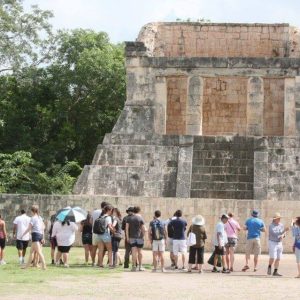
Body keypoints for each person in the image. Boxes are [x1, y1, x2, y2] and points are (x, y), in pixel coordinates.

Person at [21, 205, 46, 270]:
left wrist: (23, 234)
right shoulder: (40, 218)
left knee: (39, 252)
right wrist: (43, 237)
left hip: (35, 235)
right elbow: (43, 228)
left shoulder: (33, 218)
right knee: (31, 252)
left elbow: (29, 228)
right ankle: (26, 267)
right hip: (40, 235)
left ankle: (44, 266)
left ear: (32, 211)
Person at [126, 206, 146, 271]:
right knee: (140, 252)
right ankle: (140, 266)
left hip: (132, 237)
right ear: (139, 211)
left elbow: (126, 229)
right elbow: (144, 229)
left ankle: (134, 266)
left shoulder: (129, 218)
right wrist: (143, 236)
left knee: (134, 252)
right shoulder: (140, 218)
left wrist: (127, 237)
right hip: (139, 237)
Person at [91, 201, 110, 266]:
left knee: (94, 248)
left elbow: (91, 221)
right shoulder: (105, 213)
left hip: (94, 232)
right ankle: (99, 262)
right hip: (102, 232)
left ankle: (93, 262)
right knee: (101, 249)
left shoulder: (94, 212)